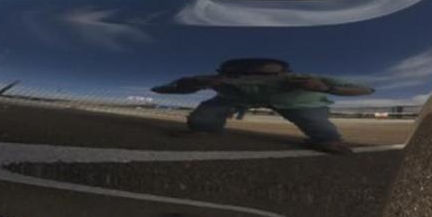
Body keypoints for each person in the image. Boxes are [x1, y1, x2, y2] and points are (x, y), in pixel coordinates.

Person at [152, 58, 374, 154]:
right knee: (208, 111)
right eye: (243, 75)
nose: (253, 78)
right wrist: (192, 84)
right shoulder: (213, 79)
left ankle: (327, 140)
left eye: (265, 75)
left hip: (296, 101)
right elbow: (170, 88)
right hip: (238, 99)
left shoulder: (305, 78)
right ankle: (204, 129)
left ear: (285, 73)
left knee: (314, 121)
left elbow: (364, 89)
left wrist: (323, 87)